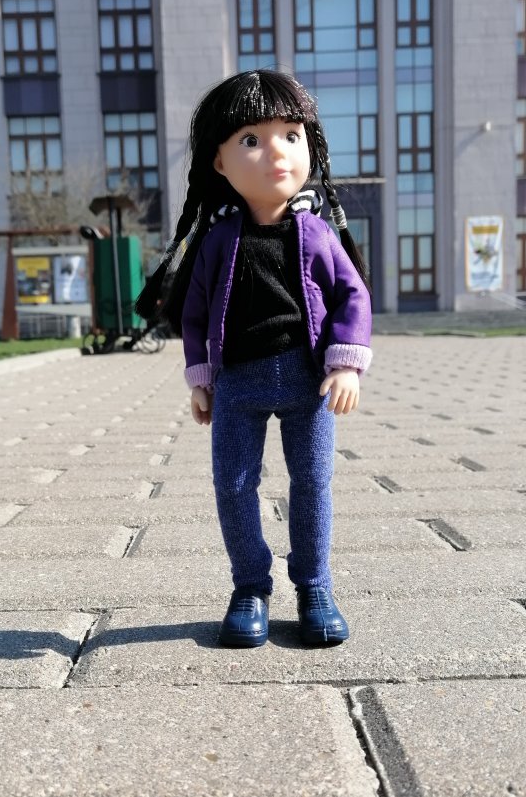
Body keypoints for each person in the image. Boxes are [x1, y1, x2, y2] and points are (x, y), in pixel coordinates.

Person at [136, 69, 372, 648]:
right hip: (237, 384)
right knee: (233, 484)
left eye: (292, 136)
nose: (277, 153)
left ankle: (314, 586)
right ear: (219, 162)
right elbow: (195, 312)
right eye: (251, 140)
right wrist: (199, 376)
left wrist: (345, 362)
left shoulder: (318, 234)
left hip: (309, 382)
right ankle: (249, 586)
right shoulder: (218, 240)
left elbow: (353, 296)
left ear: (311, 148)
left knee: (312, 483)